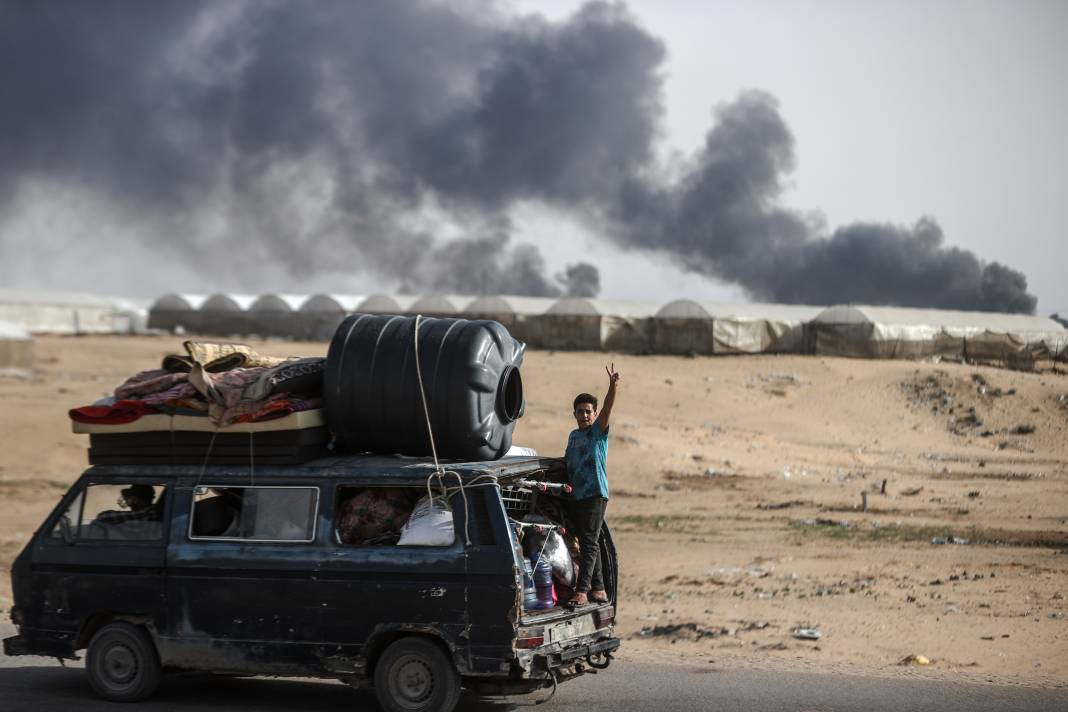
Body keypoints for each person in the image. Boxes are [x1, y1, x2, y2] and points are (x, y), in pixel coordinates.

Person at [564, 363, 620, 607]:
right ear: (574, 414)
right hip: (577, 495)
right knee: (591, 541)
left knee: (588, 543)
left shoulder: (598, 432)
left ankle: (582, 591)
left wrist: (612, 386)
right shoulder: (573, 436)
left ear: (595, 414)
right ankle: (599, 589)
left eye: (588, 411)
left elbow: (608, 407)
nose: (584, 415)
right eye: (580, 411)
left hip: (595, 494)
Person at [95, 485, 160, 526]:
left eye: (129, 496)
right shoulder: (149, 511)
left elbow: (104, 517)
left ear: (137, 499)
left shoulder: (148, 512)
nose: (126, 499)